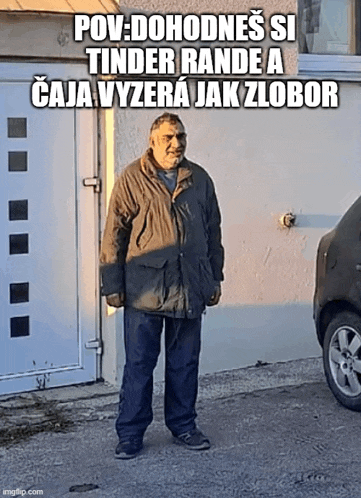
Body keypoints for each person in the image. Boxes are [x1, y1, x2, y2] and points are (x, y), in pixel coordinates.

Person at [100, 112, 224, 459]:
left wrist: (215, 277)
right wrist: (112, 284)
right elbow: (114, 234)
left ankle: (183, 425)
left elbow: (214, 231)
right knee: (139, 365)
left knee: (184, 363)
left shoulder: (199, 178)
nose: (176, 143)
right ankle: (130, 434)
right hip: (145, 290)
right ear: (152, 141)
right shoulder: (132, 178)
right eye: (168, 137)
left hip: (189, 288)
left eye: (181, 136)